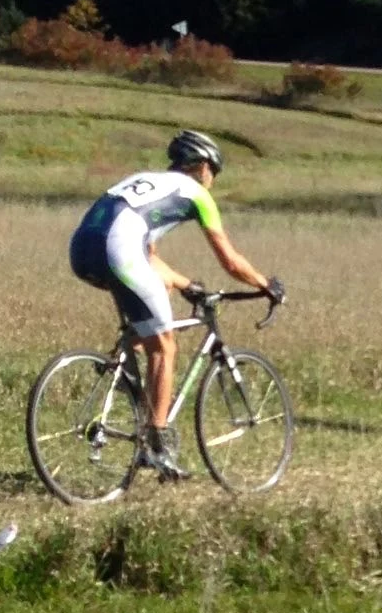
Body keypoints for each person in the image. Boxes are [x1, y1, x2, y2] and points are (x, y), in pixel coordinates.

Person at [68, 129, 280, 475]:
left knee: (152, 311)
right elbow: (230, 261)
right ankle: (157, 445)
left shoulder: (145, 181)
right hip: (119, 249)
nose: (212, 181)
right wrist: (266, 284)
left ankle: (123, 370)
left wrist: (185, 284)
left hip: (83, 249)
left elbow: (146, 254)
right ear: (200, 165)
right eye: (214, 171)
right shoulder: (196, 194)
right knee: (164, 347)